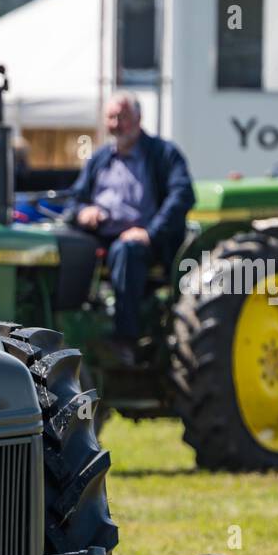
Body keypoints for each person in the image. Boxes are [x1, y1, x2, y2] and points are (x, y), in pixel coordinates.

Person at [69, 92, 196, 360]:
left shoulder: (164, 154)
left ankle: (126, 341)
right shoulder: (99, 158)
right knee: (68, 246)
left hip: (148, 242)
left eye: (122, 117)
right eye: (111, 117)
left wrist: (150, 233)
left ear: (139, 118)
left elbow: (183, 194)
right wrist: (84, 213)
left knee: (125, 251)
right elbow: (75, 201)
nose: (116, 124)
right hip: (101, 236)